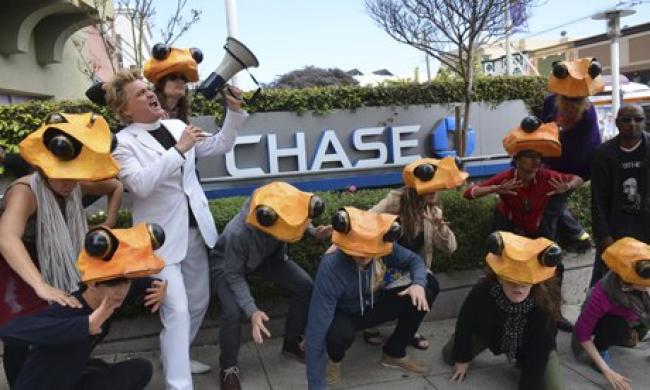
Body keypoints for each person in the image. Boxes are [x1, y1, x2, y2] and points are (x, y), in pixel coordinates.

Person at [106, 68, 247, 390]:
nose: (149, 94)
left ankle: (178, 356)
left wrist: (234, 112)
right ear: (126, 109)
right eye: (140, 93)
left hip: (197, 231)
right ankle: (178, 384)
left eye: (147, 89)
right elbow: (140, 186)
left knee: (197, 303)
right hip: (159, 242)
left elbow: (219, 145)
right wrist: (178, 149)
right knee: (178, 310)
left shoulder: (176, 125)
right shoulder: (122, 143)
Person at [0, 112, 122, 385]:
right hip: (13, 265)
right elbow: (7, 237)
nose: (70, 183)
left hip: (55, 261)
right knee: (20, 335)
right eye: (63, 176)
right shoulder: (25, 191)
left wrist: (109, 222)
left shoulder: (77, 182)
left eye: (76, 176)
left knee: (74, 321)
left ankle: (61, 375)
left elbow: (116, 186)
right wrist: (40, 284)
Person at [0, 223, 168, 390]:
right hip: (43, 384)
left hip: (74, 376)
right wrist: (85, 325)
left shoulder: (113, 293)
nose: (121, 292)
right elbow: (10, 331)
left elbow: (139, 282)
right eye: (114, 285)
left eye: (126, 283)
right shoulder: (69, 308)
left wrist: (158, 286)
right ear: (93, 283)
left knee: (140, 369)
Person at [464, 116, 582, 332]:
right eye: (529, 156)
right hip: (509, 231)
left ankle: (555, 314)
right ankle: (494, 317)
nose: (536, 161)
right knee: (497, 268)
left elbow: (578, 177)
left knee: (555, 267)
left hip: (537, 232)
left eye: (538, 156)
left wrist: (568, 186)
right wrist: (494, 189)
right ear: (517, 159)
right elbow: (469, 193)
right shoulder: (507, 177)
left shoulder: (547, 177)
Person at [210, 181, 330, 390]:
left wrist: (313, 232)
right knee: (232, 311)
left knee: (304, 286)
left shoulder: (279, 212)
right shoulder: (237, 233)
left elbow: (293, 215)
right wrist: (252, 310)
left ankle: (291, 343)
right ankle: (228, 367)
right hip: (228, 265)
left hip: (265, 258)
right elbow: (234, 275)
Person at [305, 207, 438, 389]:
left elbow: (414, 261)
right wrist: (315, 386)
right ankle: (334, 362)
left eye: (369, 250)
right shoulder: (331, 267)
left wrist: (418, 284)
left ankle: (394, 352)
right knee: (337, 336)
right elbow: (316, 329)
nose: (363, 254)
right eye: (357, 249)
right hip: (345, 313)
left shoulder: (383, 246)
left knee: (427, 289)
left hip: (374, 301)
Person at [361, 156, 466, 349]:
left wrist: (440, 228)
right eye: (430, 187)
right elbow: (367, 219)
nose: (434, 192)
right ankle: (371, 324)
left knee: (431, 287)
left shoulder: (433, 211)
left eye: (437, 187)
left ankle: (408, 329)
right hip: (387, 263)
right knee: (407, 288)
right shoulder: (396, 200)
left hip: (414, 266)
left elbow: (450, 248)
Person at [442, 231, 564, 390]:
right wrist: (462, 358)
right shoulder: (483, 290)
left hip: (533, 346)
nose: (518, 288)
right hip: (490, 335)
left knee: (554, 387)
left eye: (525, 283)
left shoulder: (545, 302)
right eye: (512, 282)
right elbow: (465, 321)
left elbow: (540, 348)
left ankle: (523, 361)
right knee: (449, 355)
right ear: (500, 277)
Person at [541, 57, 604, 251]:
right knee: (548, 203)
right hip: (548, 165)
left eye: (577, 100)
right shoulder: (550, 102)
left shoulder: (588, 114)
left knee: (549, 208)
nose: (571, 104)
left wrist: (575, 180)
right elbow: (543, 131)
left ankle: (546, 251)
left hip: (575, 170)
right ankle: (579, 237)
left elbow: (591, 150)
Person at [572, 237, 650, 390]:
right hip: (609, 324)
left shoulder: (642, 288)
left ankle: (631, 334)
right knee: (617, 328)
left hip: (634, 319)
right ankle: (601, 348)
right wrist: (607, 371)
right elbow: (582, 335)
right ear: (628, 280)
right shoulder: (601, 294)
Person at [590, 104, 649, 286]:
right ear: (617, 123)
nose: (633, 124)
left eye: (638, 119)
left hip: (646, 222)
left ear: (645, 122)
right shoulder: (603, 154)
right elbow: (598, 199)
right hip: (617, 224)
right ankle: (593, 313)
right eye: (626, 119)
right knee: (605, 280)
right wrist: (604, 235)